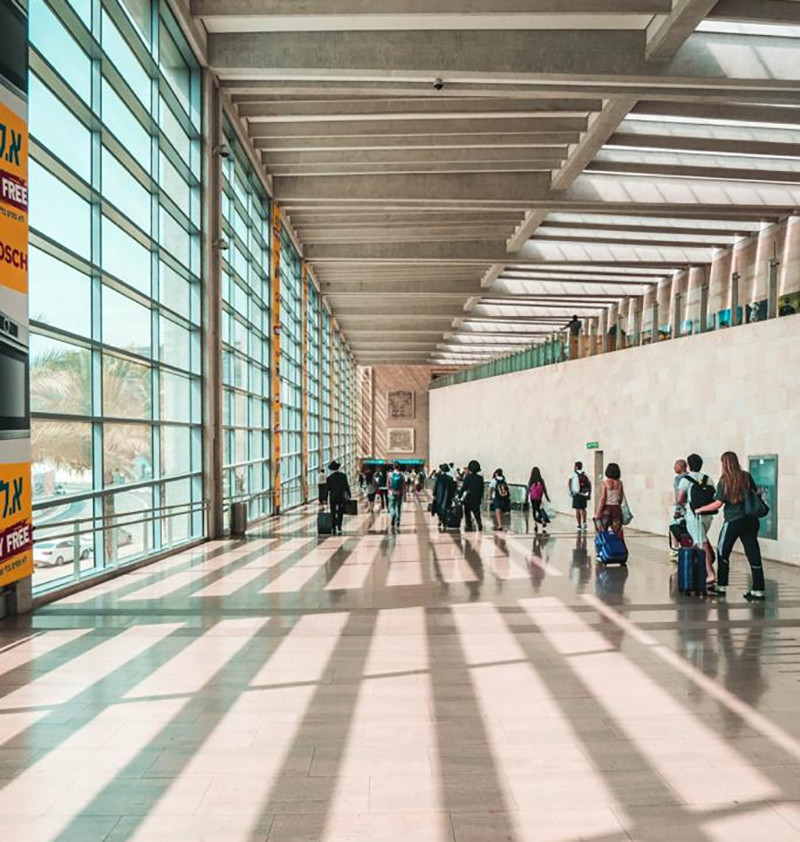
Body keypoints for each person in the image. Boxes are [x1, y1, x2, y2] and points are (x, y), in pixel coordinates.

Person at [695, 451, 766, 602]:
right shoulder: (746, 476)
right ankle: (758, 589)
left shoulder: (724, 480)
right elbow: (755, 493)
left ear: (724, 463)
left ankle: (721, 586)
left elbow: (718, 503)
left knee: (722, 551)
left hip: (733, 521)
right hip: (751, 521)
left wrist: (700, 509)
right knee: (753, 553)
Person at [676, 453, 717, 585]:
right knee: (698, 541)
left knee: (702, 543)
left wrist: (685, 507)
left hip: (694, 516)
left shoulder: (685, 480)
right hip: (708, 515)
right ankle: (696, 568)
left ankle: (710, 573)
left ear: (689, 465)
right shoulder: (708, 479)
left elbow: (679, 498)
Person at [595, 462, 626, 539]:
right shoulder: (620, 483)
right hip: (616, 509)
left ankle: (604, 548)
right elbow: (621, 497)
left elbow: (603, 498)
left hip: (606, 509)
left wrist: (598, 512)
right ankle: (616, 548)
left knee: (602, 531)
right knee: (616, 532)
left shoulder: (605, 483)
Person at [669, 459, 689, 559]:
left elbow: (679, 495)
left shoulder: (678, 478)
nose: (674, 467)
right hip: (689, 507)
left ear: (681, 466)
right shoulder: (690, 477)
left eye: (675, 466)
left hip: (681, 507)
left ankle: (676, 549)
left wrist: (677, 509)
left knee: (673, 527)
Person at [326, 461, 351, 536]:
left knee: (333, 512)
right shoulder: (343, 476)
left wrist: (325, 498)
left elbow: (328, 489)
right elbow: (346, 486)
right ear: (338, 468)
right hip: (341, 497)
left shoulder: (329, 478)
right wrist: (349, 495)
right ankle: (339, 526)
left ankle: (333, 527)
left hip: (333, 497)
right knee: (340, 511)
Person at [460, 460, 484, 532]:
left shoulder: (468, 477)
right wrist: (480, 497)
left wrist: (459, 496)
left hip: (469, 498)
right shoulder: (480, 478)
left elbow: (464, 488)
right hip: (476, 498)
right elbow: (481, 489)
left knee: (467, 512)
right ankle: (479, 524)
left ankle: (468, 525)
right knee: (477, 512)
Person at [568, 461, 591, 531]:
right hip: (584, 493)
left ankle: (579, 525)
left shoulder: (573, 474)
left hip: (577, 494)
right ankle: (584, 522)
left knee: (577, 510)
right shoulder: (585, 474)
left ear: (576, 467)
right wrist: (589, 493)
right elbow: (589, 484)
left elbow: (569, 482)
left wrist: (571, 491)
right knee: (583, 509)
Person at [432, 464, 456, 531]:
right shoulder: (450, 478)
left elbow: (435, 487)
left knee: (439, 508)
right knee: (446, 508)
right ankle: (445, 521)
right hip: (448, 496)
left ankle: (440, 520)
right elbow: (452, 488)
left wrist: (434, 494)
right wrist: (452, 496)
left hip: (439, 495)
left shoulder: (438, 477)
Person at [527, 466, 551, 534]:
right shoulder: (541, 480)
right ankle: (542, 520)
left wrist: (526, 498)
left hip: (532, 498)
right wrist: (547, 497)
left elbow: (528, 489)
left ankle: (536, 524)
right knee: (538, 509)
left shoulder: (531, 480)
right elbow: (544, 489)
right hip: (539, 497)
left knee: (534, 510)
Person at [388, 462, 405, 531]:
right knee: (398, 507)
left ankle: (393, 515)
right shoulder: (402, 475)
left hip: (392, 492)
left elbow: (388, 484)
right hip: (399, 493)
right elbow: (403, 485)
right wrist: (404, 493)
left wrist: (389, 492)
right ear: (399, 467)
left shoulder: (390, 474)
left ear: (393, 467)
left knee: (391, 506)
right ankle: (397, 521)